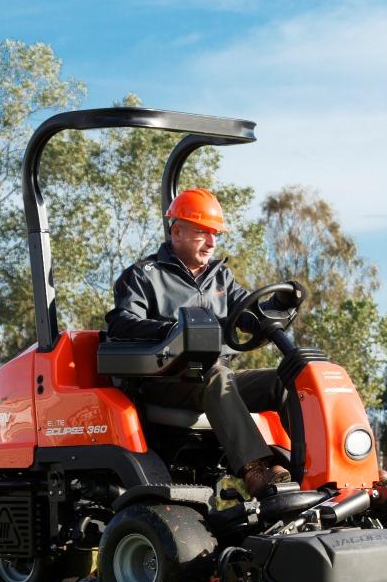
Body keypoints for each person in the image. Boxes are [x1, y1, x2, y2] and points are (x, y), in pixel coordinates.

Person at [106, 187, 296, 498]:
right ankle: (254, 470)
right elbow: (122, 323)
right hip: (166, 379)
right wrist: (174, 330)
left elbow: (249, 314)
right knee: (216, 375)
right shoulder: (144, 275)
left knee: (284, 381)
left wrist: (280, 304)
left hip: (215, 377)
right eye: (202, 233)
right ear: (177, 231)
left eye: (215, 234)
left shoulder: (220, 279)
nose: (211, 242)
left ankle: (316, 465)